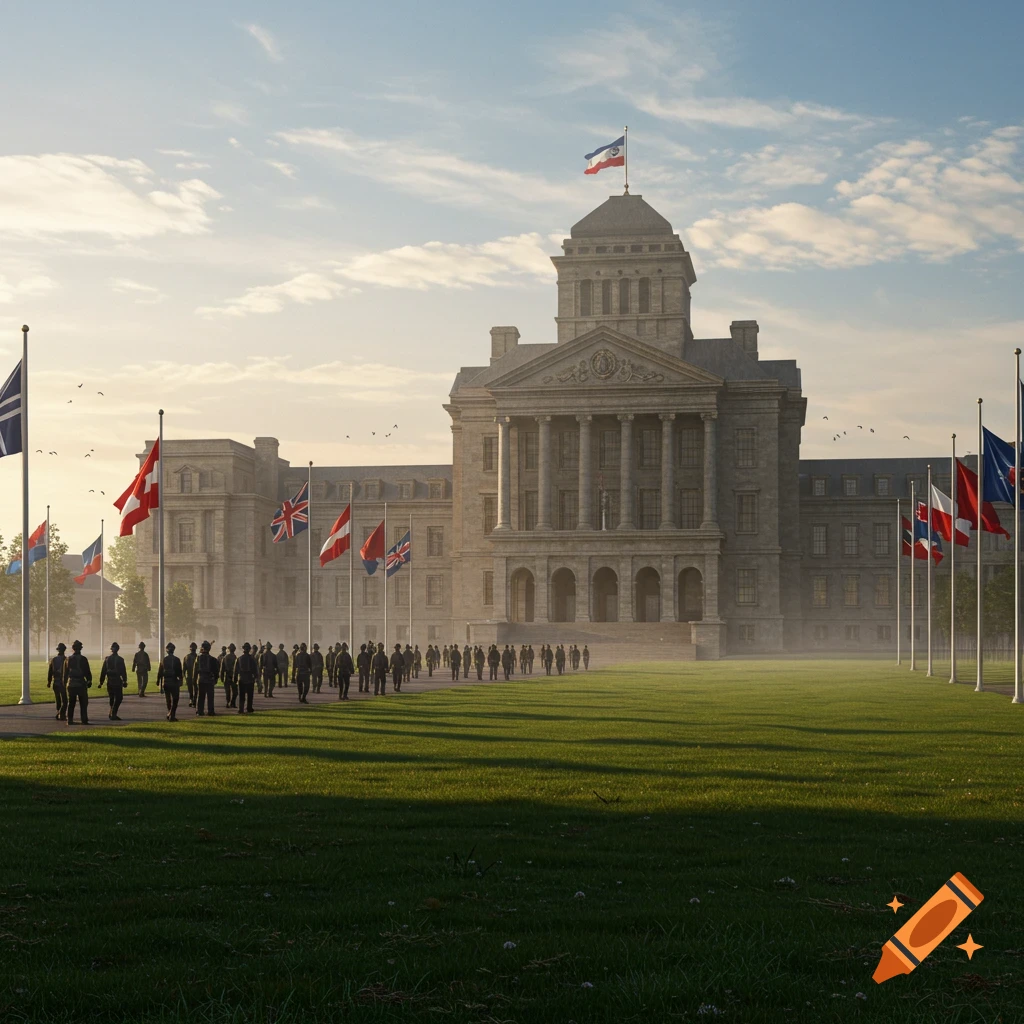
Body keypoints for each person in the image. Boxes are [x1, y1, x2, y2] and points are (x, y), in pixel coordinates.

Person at [64, 639, 92, 725]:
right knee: (83, 703)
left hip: (71, 682)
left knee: (71, 703)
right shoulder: (83, 659)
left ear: (73, 648)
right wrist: (89, 680)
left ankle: (70, 719)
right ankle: (84, 719)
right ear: (81, 648)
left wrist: (64, 683)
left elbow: (65, 673)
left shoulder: (68, 659)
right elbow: (87, 671)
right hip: (80, 682)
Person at [99, 641, 128, 720]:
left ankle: (111, 712)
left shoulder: (108, 659)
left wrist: (101, 682)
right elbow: (123, 671)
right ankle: (113, 713)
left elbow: (103, 671)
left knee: (112, 698)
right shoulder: (120, 659)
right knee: (118, 698)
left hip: (110, 681)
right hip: (116, 681)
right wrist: (125, 681)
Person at [157, 642, 183, 721]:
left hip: (166, 682)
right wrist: (181, 680)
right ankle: (172, 714)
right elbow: (179, 672)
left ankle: (169, 713)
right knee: (175, 699)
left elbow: (160, 671)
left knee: (168, 700)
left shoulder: (164, 660)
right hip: (174, 681)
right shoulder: (177, 660)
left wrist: (158, 681)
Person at [234, 642, 258, 714]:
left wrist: (234, 679)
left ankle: (241, 709)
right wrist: (256, 678)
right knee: (250, 695)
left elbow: (235, 670)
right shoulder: (252, 659)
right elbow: (255, 670)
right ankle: (249, 708)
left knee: (242, 695)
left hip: (241, 679)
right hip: (250, 679)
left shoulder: (239, 658)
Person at [195, 640, 219, 716]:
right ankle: (210, 711)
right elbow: (216, 671)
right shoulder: (213, 659)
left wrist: (194, 679)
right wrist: (215, 679)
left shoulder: (198, 658)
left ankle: (199, 711)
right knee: (210, 697)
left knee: (201, 696)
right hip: (210, 679)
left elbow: (195, 670)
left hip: (201, 679)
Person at [47, 642, 69, 721]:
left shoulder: (53, 660)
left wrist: (49, 681)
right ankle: (61, 713)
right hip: (62, 682)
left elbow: (50, 672)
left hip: (55, 682)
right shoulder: (66, 659)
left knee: (58, 699)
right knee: (65, 700)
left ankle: (58, 711)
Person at [221, 643, 238, 708]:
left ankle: (230, 702)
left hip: (228, 676)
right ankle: (231, 702)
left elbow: (222, 669)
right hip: (231, 676)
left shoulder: (226, 657)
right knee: (234, 692)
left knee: (229, 691)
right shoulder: (234, 657)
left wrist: (222, 677)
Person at [183, 641, 199, 707]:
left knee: (190, 689)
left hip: (189, 675)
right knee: (195, 688)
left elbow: (184, 668)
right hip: (195, 675)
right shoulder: (198, 657)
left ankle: (191, 699)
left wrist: (183, 676)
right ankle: (194, 700)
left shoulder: (186, 657)